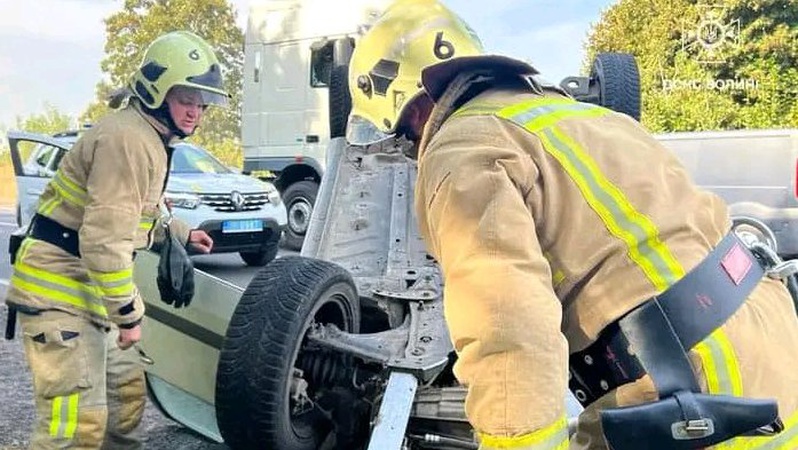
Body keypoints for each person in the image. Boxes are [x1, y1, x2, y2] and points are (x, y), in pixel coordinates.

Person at [345, 1, 798, 449]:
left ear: (411, 109)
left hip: (693, 394)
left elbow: (505, 318)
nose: (413, 148)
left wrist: (520, 443)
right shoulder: (593, 119)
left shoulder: (460, 147)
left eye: (405, 137)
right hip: (772, 348)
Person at [4, 30, 225, 449]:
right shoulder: (128, 140)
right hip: (60, 294)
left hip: (94, 292)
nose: (195, 112)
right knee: (75, 428)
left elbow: (137, 211)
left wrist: (180, 233)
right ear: (157, 92)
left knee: (125, 404)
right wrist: (129, 317)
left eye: (201, 103)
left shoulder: (150, 137)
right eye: (186, 99)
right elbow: (104, 242)